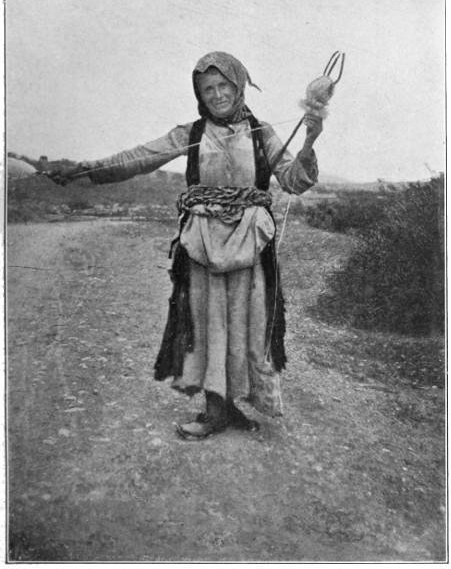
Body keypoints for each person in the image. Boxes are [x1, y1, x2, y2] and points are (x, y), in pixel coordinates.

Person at [48, 51, 323, 440]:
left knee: (246, 326)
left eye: (223, 85)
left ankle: (230, 406)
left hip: (249, 245)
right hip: (203, 246)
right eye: (207, 89)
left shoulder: (262, 134)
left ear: (238, 86)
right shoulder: (192, 134)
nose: (217, 95)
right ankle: (214, 410)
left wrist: (310, 139)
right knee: (207, 327)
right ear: (199, 94)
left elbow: (295, 181)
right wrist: (84, 171)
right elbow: (140, 158)